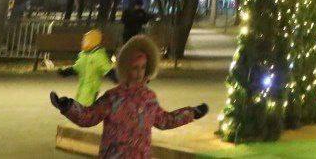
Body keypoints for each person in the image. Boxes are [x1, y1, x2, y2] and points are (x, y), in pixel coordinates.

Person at [51, 34, 207, 157]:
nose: (139, 73)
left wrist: (191, 113)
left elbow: (164, 120)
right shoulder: (113, 97)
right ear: (125, 68)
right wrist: (68, 106)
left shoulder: (149, 98)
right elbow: (88, 117)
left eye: (143, 67)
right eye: (134, 68)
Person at [57, 28, 114, 106]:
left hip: (92, 89)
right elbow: (77, 67)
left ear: (93, 41)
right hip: (82, 86)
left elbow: (107, 69)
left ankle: (65, 105)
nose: (82, 42)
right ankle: (67, 106)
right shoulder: (83, 55)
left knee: (84, 105)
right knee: (79, 102)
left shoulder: (99, 56)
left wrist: (116, 77)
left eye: (85, 40)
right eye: (83, 41)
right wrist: (66, 72)